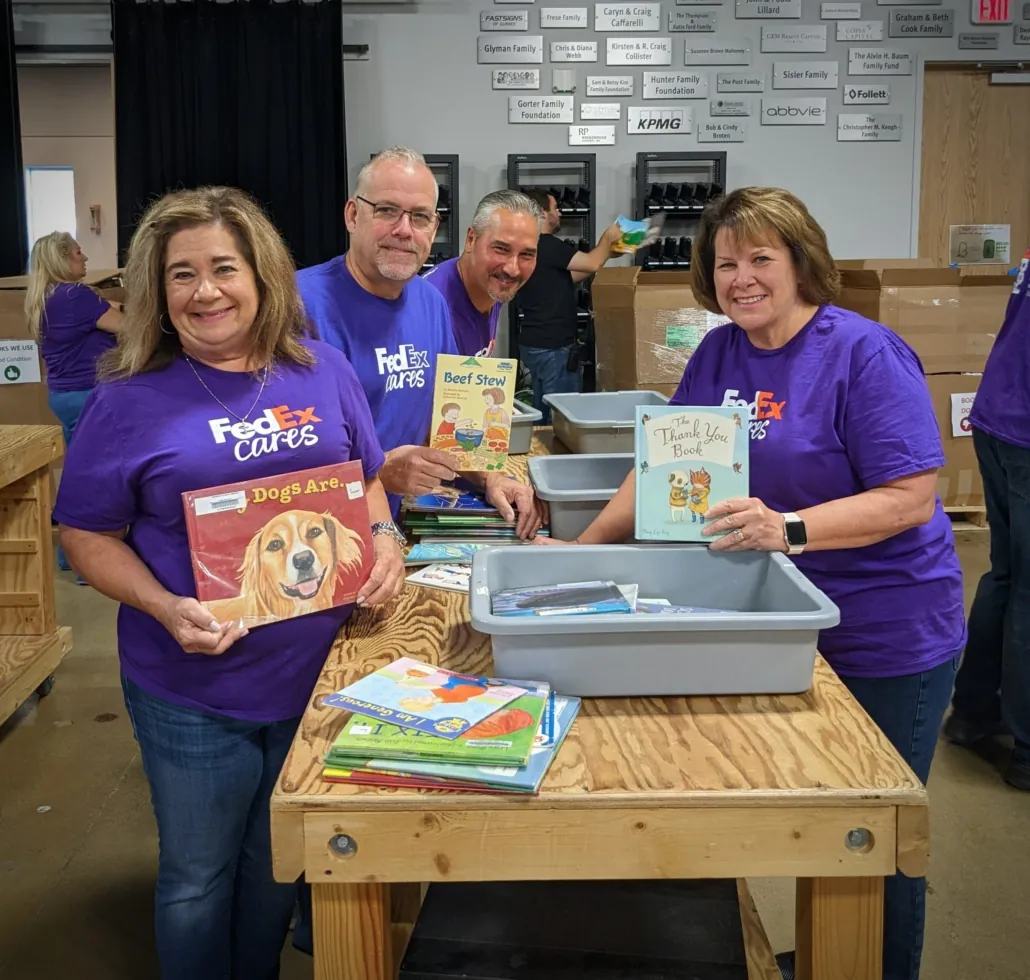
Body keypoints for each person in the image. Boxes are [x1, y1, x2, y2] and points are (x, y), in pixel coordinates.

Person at [537, 187, 966, 980]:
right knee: (804, 808)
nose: (741, 278)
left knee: (873, 833)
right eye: (726, 262)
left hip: (885, 625)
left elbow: (911, 497)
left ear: (801, 261)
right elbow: (659, 466)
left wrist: (789, 528)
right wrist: (580, 556)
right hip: (773, 617)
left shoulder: (863, 353)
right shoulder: (719, 352)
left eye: (760, 258)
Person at [52, 186, 405, 980]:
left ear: (261, 275)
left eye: (223, 268)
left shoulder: (323, 372)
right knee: (195, 879)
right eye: (182, 275)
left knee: (276, 863)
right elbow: (85, 533)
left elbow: (369, 481)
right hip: (192, 688)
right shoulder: (127, 398)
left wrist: (384, 540)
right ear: (158, 291)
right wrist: (163, 603)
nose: (205, 290)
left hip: (319, 680)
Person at [298, 146, 545, 538]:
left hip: (392, 529)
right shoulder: (298, 306)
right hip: (318, 537)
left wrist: (489, 477)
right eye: (386, 210)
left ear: (433, 228)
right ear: (352, 215)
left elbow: (450, 418)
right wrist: (377, 471)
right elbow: (277, 456)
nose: (403, 230)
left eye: (419, 217)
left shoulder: (430, 302)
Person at [943, 246, 1030, 792]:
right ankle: (1027, 747)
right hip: (1022, 428)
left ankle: (975, 713)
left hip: (1001, 416)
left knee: (1008, 573)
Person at [25, 231, 124, 574]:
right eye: (79, 253)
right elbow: (124, 326)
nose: (85, 259)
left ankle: (71, 556)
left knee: (78, 474)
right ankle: (88, 563)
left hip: (64, 395)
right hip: (88, 395)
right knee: (96, 479)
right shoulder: (74, 295)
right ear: (63, 259)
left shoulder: (48, 296)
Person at [517, 189, 622, 423]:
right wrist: (607, 238)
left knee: (542, 412)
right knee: (561, 417)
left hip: (536, 344)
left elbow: (572, 275)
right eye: (555, 208)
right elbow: (592, 264)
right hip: (554, 348)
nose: (559, 213)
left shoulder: (532, 248)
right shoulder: (549, 245)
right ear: (542, 213)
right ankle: (555, 457)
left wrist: (606, 253)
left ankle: (536, 453)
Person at [423, 189, 541, 356]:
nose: (513, 269)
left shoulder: (493, 284)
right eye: (501, 249)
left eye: (526, 254)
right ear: (471, 239)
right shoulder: (429, 310)